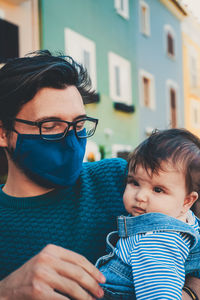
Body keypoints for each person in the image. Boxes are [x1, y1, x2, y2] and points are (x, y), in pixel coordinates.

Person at [0, 51, 198, 300]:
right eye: (49, 126)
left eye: (80, 125)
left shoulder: (123, 181)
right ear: (3, 133)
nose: (72, 141)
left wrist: (188, 294)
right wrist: (6, 292)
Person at [96, 129, 200, 300]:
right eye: (134, 183)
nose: (140, 196)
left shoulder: (155, 240)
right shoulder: (188, 221)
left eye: (158, 189)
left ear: (187, 201)